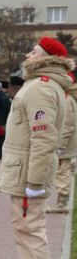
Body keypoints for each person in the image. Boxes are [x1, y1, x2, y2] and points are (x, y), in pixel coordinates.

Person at [0, 37, 75, 259]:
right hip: (28, 169)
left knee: (30, 230)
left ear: (48, 57)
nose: (29, 52)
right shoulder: (44, 84)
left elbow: (43, 138)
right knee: (28, 229)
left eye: (35, 50)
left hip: (29, 172)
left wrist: (33, 183)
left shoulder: (41, 87)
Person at [48, 85, 77, 214]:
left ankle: (62, 203)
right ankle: (62, 200)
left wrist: (61, 145)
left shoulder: (67, 99)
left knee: (62, 172)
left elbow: (67, 125)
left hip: (65, 144)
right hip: (66, 142)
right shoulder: (69, 97)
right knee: (62, 171)